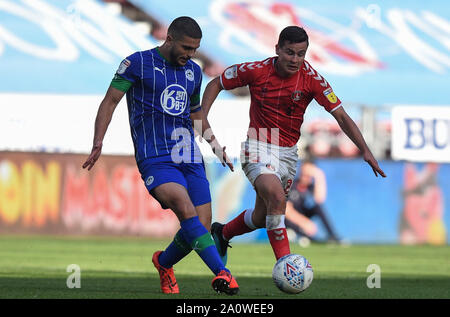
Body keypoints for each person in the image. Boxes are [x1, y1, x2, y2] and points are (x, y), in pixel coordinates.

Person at [201, 26, 386, 264]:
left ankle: (222, 233)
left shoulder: (312, 79)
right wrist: (203, 116)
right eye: (289, 52)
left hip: (288, 154)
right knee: (277, 198)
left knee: (261, 217)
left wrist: (366, 150)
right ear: (277, 48)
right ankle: (287, 265)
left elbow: (340, 115)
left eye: (301, 54)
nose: (295, 59)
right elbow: (216, 82)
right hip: (257, 145)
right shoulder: (257, 71)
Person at [82, 16, 239, 295]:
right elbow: (111, 100)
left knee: (200, 225)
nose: (191, 55)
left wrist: (215, 145)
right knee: (184, 208)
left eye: (195, 49)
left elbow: (195, 114)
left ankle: (164, 263)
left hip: (188, 154)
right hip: (154, 156)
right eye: (187, 48)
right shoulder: (136, 63)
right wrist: (98, 140)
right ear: (169, 39)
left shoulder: (193, 72)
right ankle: (223, 273)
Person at [285, 157, 342, 246]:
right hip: (289, 219)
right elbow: (287, 211)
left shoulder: (310, 186)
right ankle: (307, 238)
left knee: (317, 207)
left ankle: (332, 236)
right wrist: (304, 222)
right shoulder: (292, 184)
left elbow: (319, 200)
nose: (306, 176)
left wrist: (319, 176)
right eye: (304, 172)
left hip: (302, 215)